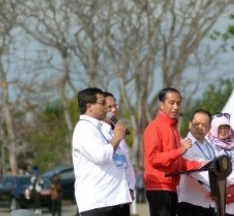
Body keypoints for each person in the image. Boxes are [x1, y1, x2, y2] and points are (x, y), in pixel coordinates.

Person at [143, 87, 203, 216]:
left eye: (178, 103)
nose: (176, 107)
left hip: (172, 187)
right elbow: (153, 158)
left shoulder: (173, 129)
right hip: (158, 187)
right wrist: (180, 150)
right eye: (171, 103)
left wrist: (201, 165)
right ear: (161, 105)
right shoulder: (154, 127)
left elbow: (179, 162)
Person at [72, 87, 131, 216]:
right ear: (89, 106)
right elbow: (102, 156)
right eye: (102, 103)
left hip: (116, 198)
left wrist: (129, 186)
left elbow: (121, 160)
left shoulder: (101, 128)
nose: (106, 107)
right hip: (99, 202)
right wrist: (116, 138)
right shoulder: (84, 128)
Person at [207, 112, 234, 216]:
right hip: (222, 195)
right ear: (213, 128)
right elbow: (218, 171)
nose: (223, 130)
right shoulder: (210, 147)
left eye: (226, 127)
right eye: (220, 127)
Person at [103, 91, 136, 214]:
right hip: (108, 196)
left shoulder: (118, 133)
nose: (113, 110)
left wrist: (131, 187)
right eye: (109, 107)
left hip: (123, 194)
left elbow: (126, 163)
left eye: (115, 106)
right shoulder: (97, 133)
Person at [178, 109, 215, 216]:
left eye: (204, 125)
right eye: (196, 124)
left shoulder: (211, 147)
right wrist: (215, 187)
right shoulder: (184, 145)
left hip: (209, 202)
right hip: (190, 201)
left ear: (209, 128)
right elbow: (192, 170)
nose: (200, 127)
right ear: (190, 124)